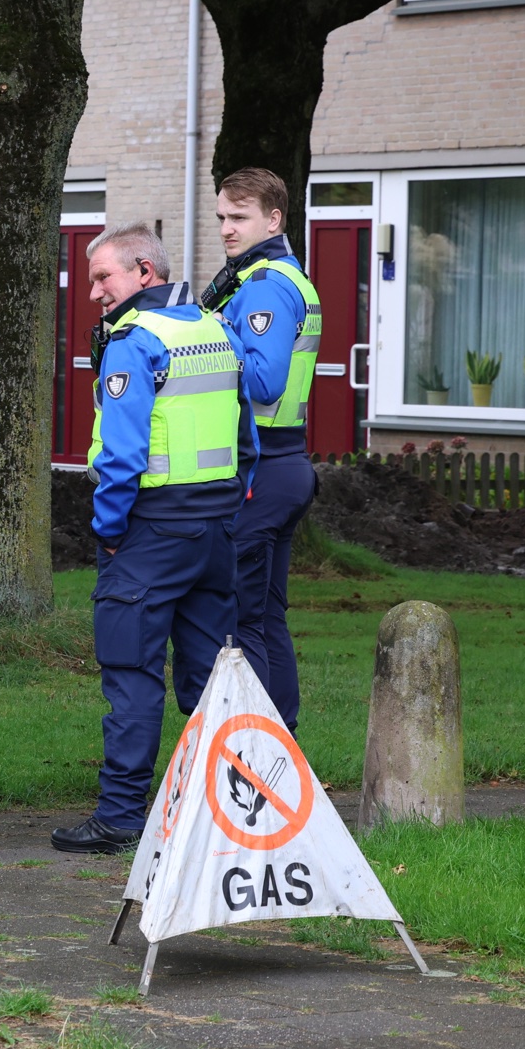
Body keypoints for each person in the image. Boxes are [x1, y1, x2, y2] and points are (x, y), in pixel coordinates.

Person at [51, 222, 253, 854]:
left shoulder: (135, 343)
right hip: (216, 530)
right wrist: (231, 501)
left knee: (132, 676)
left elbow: (121, 454)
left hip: (151, 531)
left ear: (144, 271)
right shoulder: (214, 329)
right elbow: (246, 436)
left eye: (103, 277)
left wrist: (108, 531)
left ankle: (118, 816)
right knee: (207, 681)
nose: (93, 293)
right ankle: (219, 811)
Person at [202, 168, 320, 730]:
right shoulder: (269, 277)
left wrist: (205, 346)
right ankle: (284, 750)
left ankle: (260, 751)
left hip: (264, 467)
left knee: (246, 619)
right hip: (284, 464)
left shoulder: (267, 285)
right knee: (267, 617)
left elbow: (265, 380)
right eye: (222, 216)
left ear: (273, 219)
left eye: (239, 217)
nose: (226, 228)